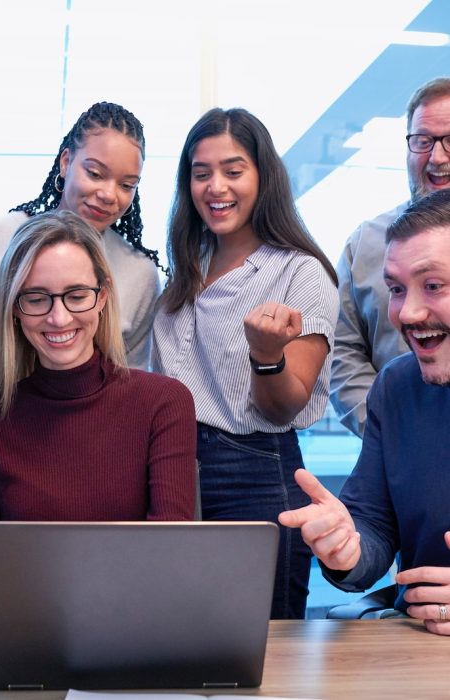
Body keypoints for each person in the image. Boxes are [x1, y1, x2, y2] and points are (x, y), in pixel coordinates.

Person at [0, 211, 197, 621]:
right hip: (20, 635)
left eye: (76, 295)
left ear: (102, 297)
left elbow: (166, 552)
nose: (58, 317)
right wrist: (0, 645)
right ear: (14, 308)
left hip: (133, 632)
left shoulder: (163, 404)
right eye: (36, 297)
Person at [152, 107, 339, 619]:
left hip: (254, 471)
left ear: (263, 177)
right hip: (173, 467)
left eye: (233, 171)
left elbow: (283, 408)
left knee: (261, 650)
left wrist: (265, 355)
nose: (216, 186)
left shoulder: (300, 274)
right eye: (201, 172)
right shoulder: (186, 268)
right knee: (175, 638)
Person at [280, 188, 450, 636]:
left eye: (433, 286)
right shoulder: (396, 387)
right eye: (396, 289)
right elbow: (373, 523)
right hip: (419, 650)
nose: (407, 313)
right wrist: (347, 547)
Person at [0, 101, 162, 415]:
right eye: (96, 173)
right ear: (66, 162)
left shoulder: (139, 274)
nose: (110, 194)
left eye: (127, 185)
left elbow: (128, 385)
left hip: (81, 446)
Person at [331, 76, 450, 437]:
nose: (437, 157)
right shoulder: (366, 243)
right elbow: (342, 352)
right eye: (423, 141)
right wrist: (391, 431)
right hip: (394, 463)